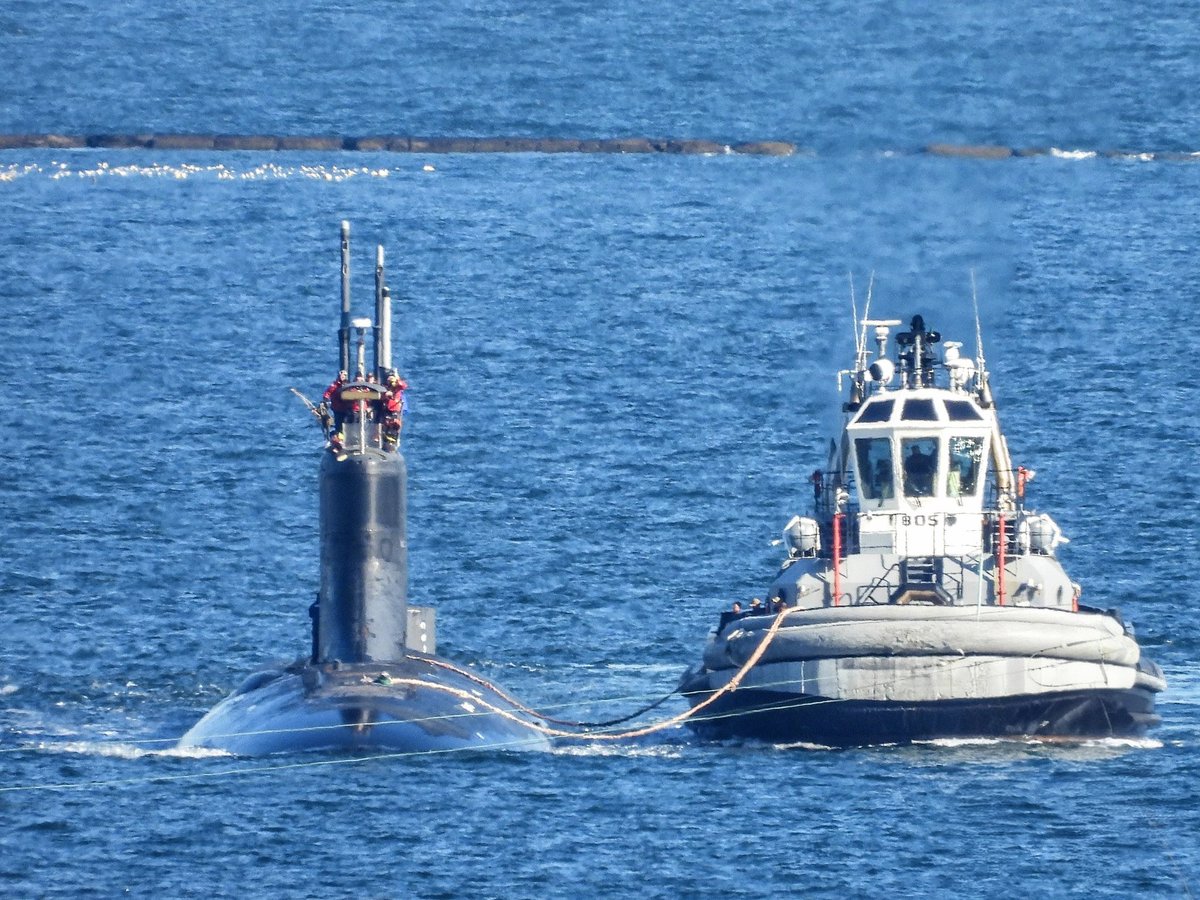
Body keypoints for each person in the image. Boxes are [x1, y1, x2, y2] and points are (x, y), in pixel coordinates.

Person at [382, 371, 409, 448]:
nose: (390, 379)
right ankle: (386, 441)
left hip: (395, 408)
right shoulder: (385, 386)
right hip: (387, 408)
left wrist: (397, 379)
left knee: (394, 424)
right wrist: (386, 394)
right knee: (386, 424)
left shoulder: (397, 387)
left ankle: (393, 441)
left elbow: (403, 385)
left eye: (391, 377)